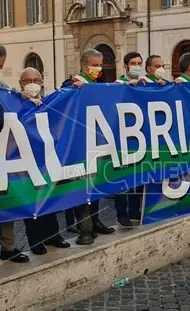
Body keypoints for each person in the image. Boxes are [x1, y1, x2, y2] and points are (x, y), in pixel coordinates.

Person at [62, 48, 115, 245]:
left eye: (100, 64)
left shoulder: (98, 85)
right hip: (79, 146)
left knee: (96, 186)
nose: (98, 68)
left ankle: (96, 221)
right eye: (95, 65)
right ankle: (82, 226)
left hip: (98, 144)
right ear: (85, 66)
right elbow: (65, 96)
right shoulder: (73, 83)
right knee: (81, 188)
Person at [18, 67, 71, 255]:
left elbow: (67, 96)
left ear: (41, 83)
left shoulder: (48, 101)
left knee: (50, 200)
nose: (32, 83)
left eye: (36, 80)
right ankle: (35, 241)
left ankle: (53, 235)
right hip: (25, 163)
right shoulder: (15, 102)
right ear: (20, 83)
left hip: (47, 160)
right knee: (32, 203)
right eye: (27, 80)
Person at [0, 44, 30, 263]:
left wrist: (20, 98)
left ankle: (7, 247)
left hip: (3, 158)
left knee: (6, 199)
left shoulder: (3, 87)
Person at [113, 52, 146, 228]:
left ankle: (135, 211)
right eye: (133, 63)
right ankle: (122, 213)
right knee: (122, 179)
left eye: (139, 63)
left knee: (138, 179)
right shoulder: (117, 84)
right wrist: (127, 87)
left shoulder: (143, 84)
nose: (136, 66)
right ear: (125, 66)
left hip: (138, 138)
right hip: (121, 140)